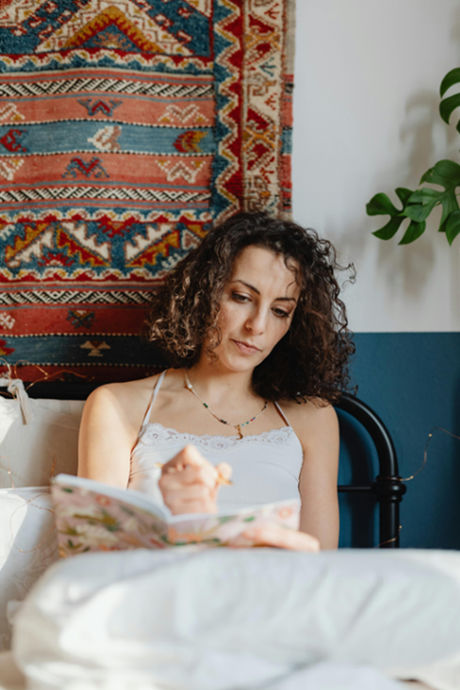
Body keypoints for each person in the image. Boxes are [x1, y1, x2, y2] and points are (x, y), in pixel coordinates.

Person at [78, 211, 354, 551]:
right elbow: (91, 555)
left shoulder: (313, 418)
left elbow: (321, 564)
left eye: (280, 311)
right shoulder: (118, 406)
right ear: (205, 291)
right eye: (241, 297)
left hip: (274, 598)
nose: (257, 326)